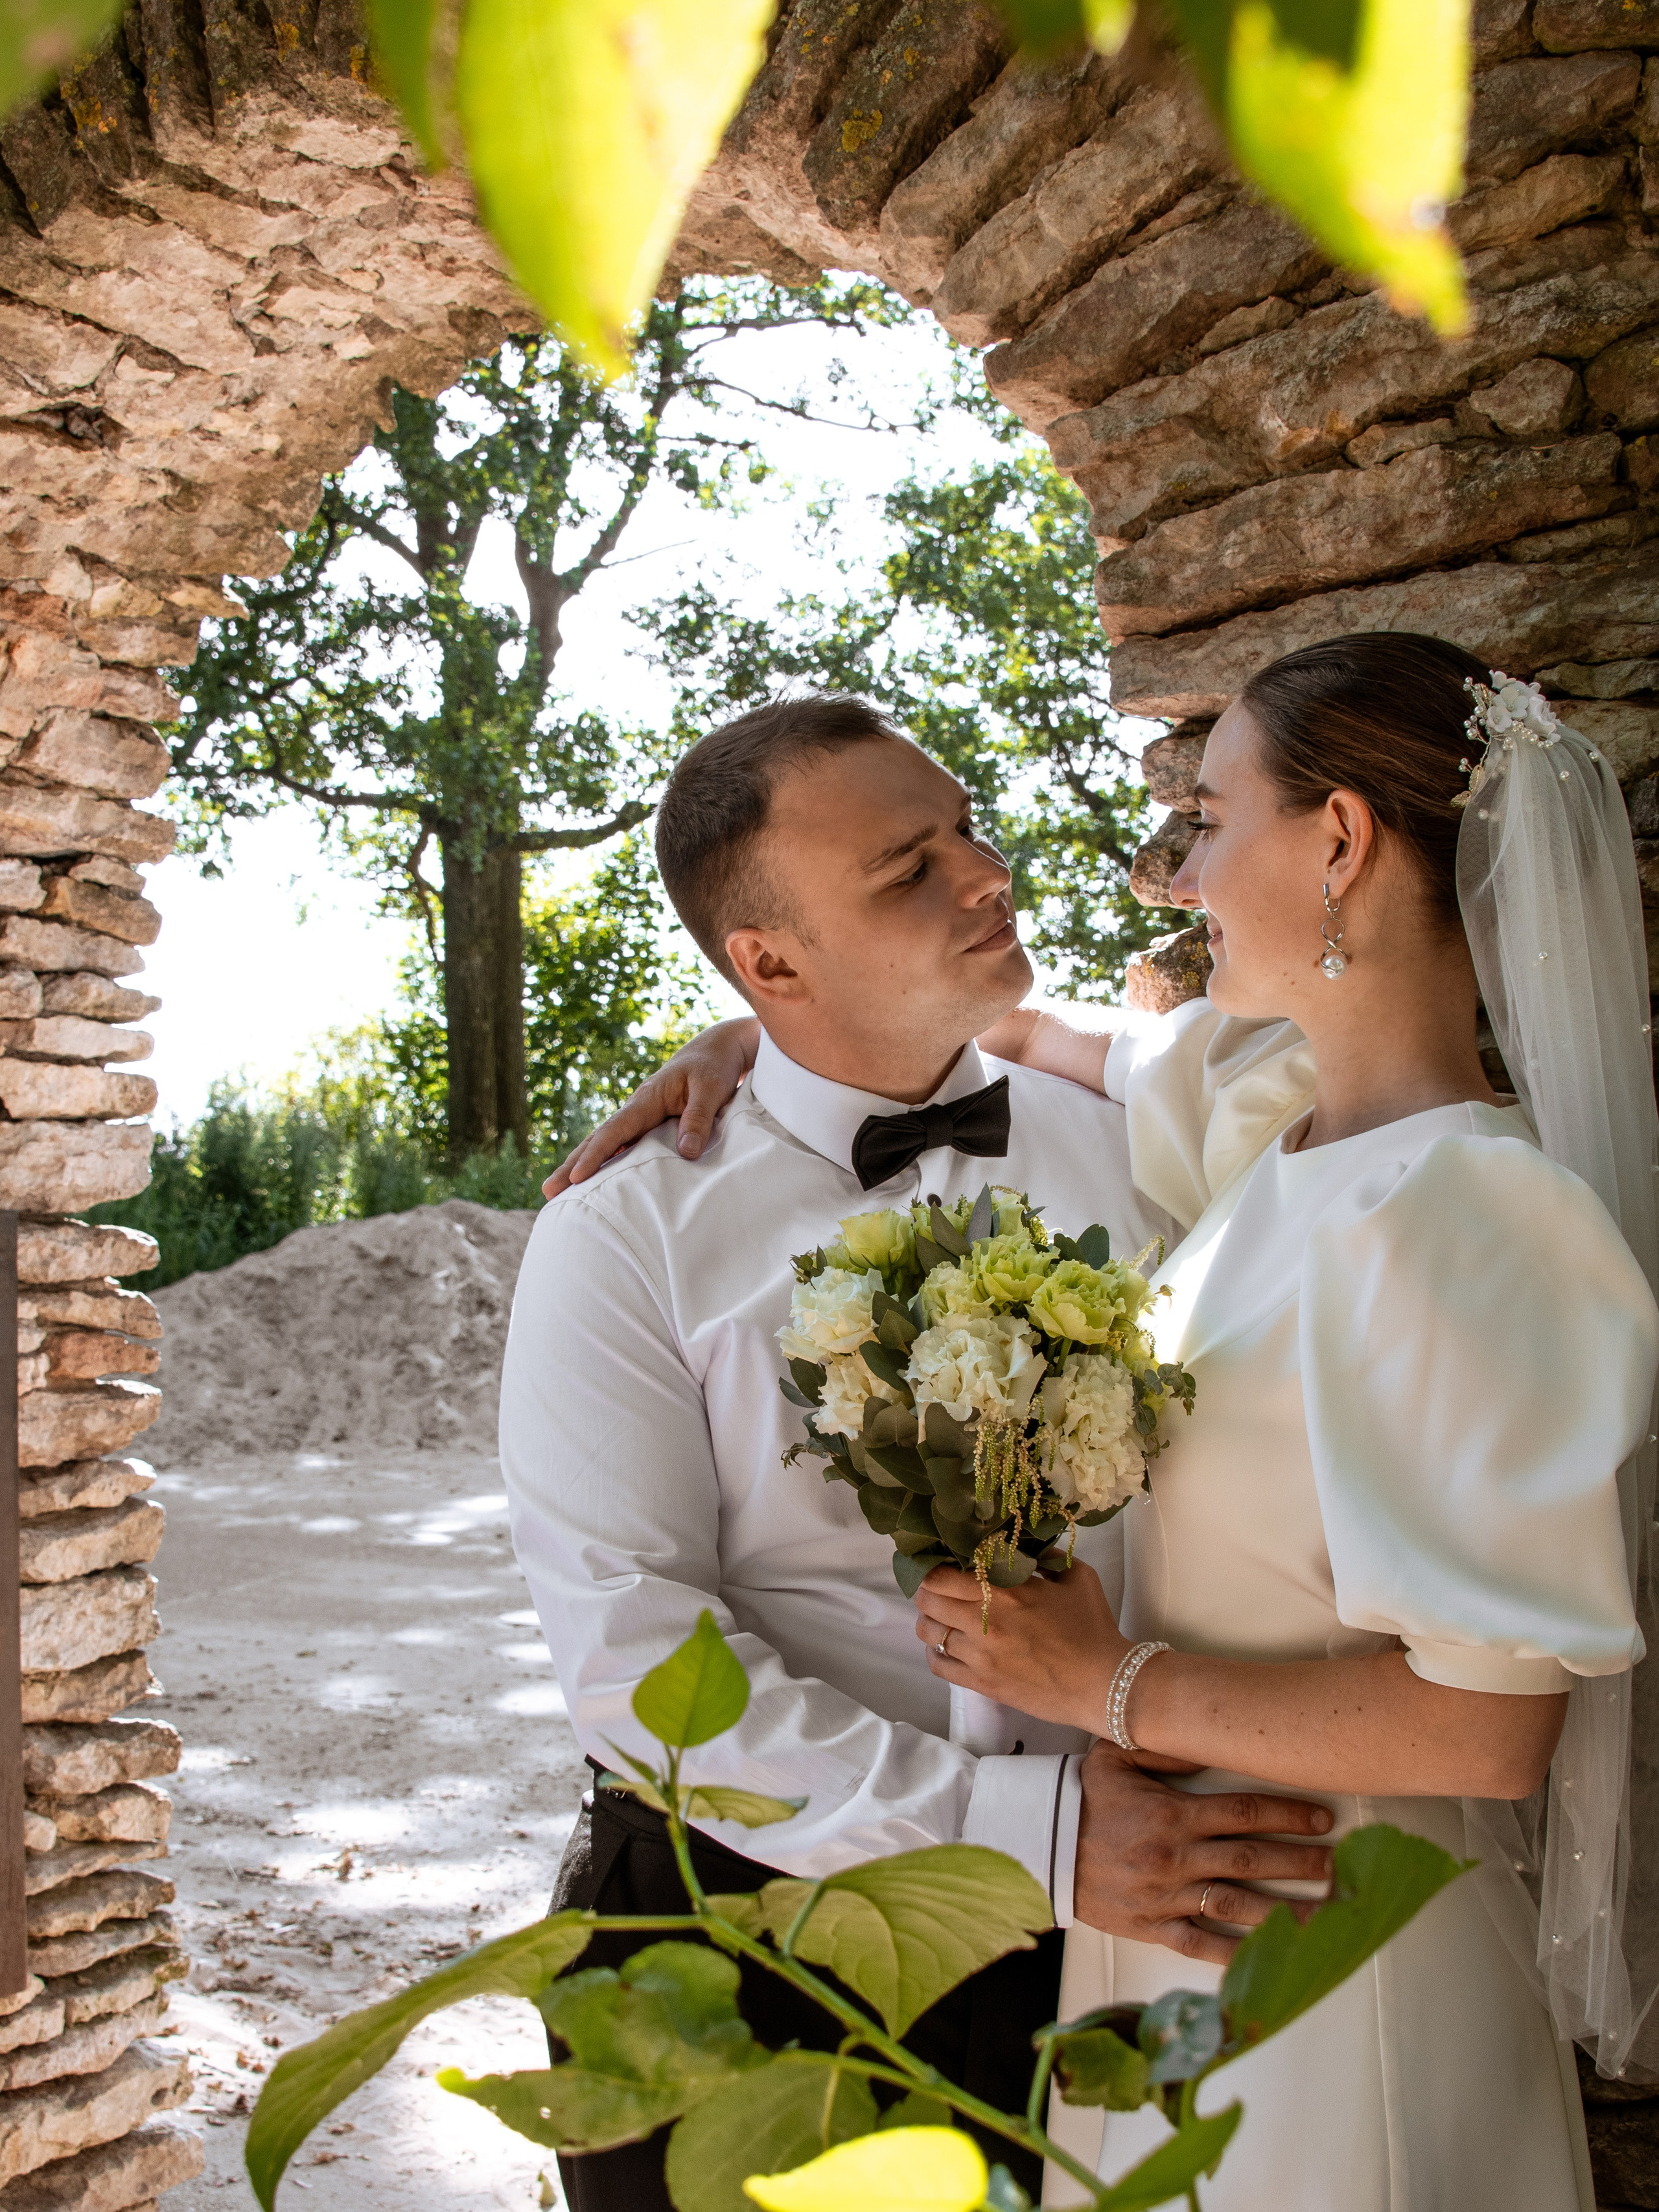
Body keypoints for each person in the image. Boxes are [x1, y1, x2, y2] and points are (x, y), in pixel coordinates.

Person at [557, 635, 1659, 2210]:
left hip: (1314, 1926)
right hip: (1097, 1943)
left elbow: (1488, 1724)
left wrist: (1102, 1686)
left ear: (1336, 841)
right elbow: (1009, 1036)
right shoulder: (1257, 1136)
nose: (1164, 879)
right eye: (905, 865)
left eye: (1202, 823)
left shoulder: (1456, 1207)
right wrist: (765, 1033)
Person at [502, 695, 1338, 2212]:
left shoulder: (1137, 1140)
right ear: (766, 965)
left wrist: (1090, 1843)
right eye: (907, 870)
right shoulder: (622, 1231)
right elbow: (632, 1661)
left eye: (964, 824)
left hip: (1125, 1932)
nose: (985, 870)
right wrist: (1033, 1837)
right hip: (744, 1943)